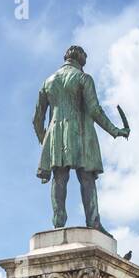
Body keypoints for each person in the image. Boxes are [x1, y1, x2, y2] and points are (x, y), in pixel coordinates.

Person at [33, 45, 130, 231]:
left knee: (59, 177)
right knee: (87, 177)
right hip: (80, 134)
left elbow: (37, 118)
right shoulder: (83, 78)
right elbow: (94, 110)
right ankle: (93, 222)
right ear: (81, 60)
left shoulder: (48, 81)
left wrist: (45, 139)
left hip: (55, 135)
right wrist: (115, 130)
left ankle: (58, 222)